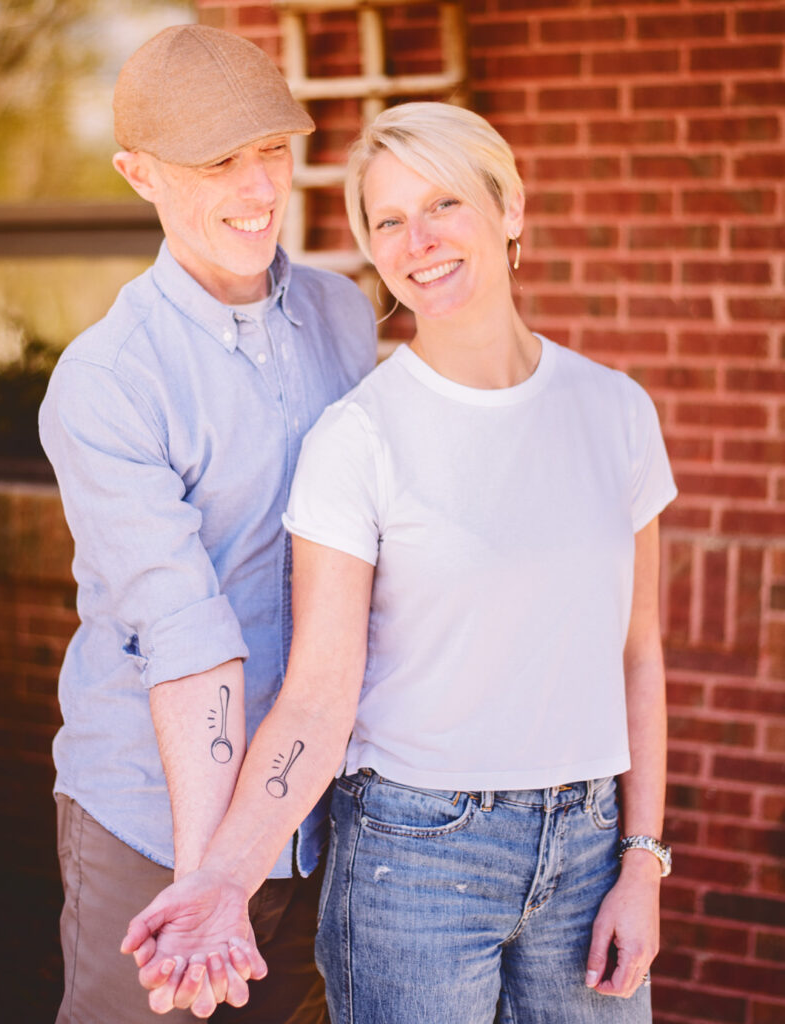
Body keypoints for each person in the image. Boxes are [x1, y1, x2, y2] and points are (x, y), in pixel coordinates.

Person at [121, 101, 678, 1023]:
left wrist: (641, 859)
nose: (418, 240)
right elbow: (316, 695)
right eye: (387, 220)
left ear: (509, 211)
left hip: (589, 848)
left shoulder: (615, 411)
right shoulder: (358, 439)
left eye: (444, 204)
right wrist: (223, 873)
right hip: (413, 855)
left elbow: (638, 655)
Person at [38, 23, 377, 1024]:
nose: (259, 188)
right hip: (153, 827)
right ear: (139, 174)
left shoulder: (343, 315)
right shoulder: (107, 382)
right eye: (217, 161)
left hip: (316, 815)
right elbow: (185, 637)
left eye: (272, 150)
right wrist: (206, 886)